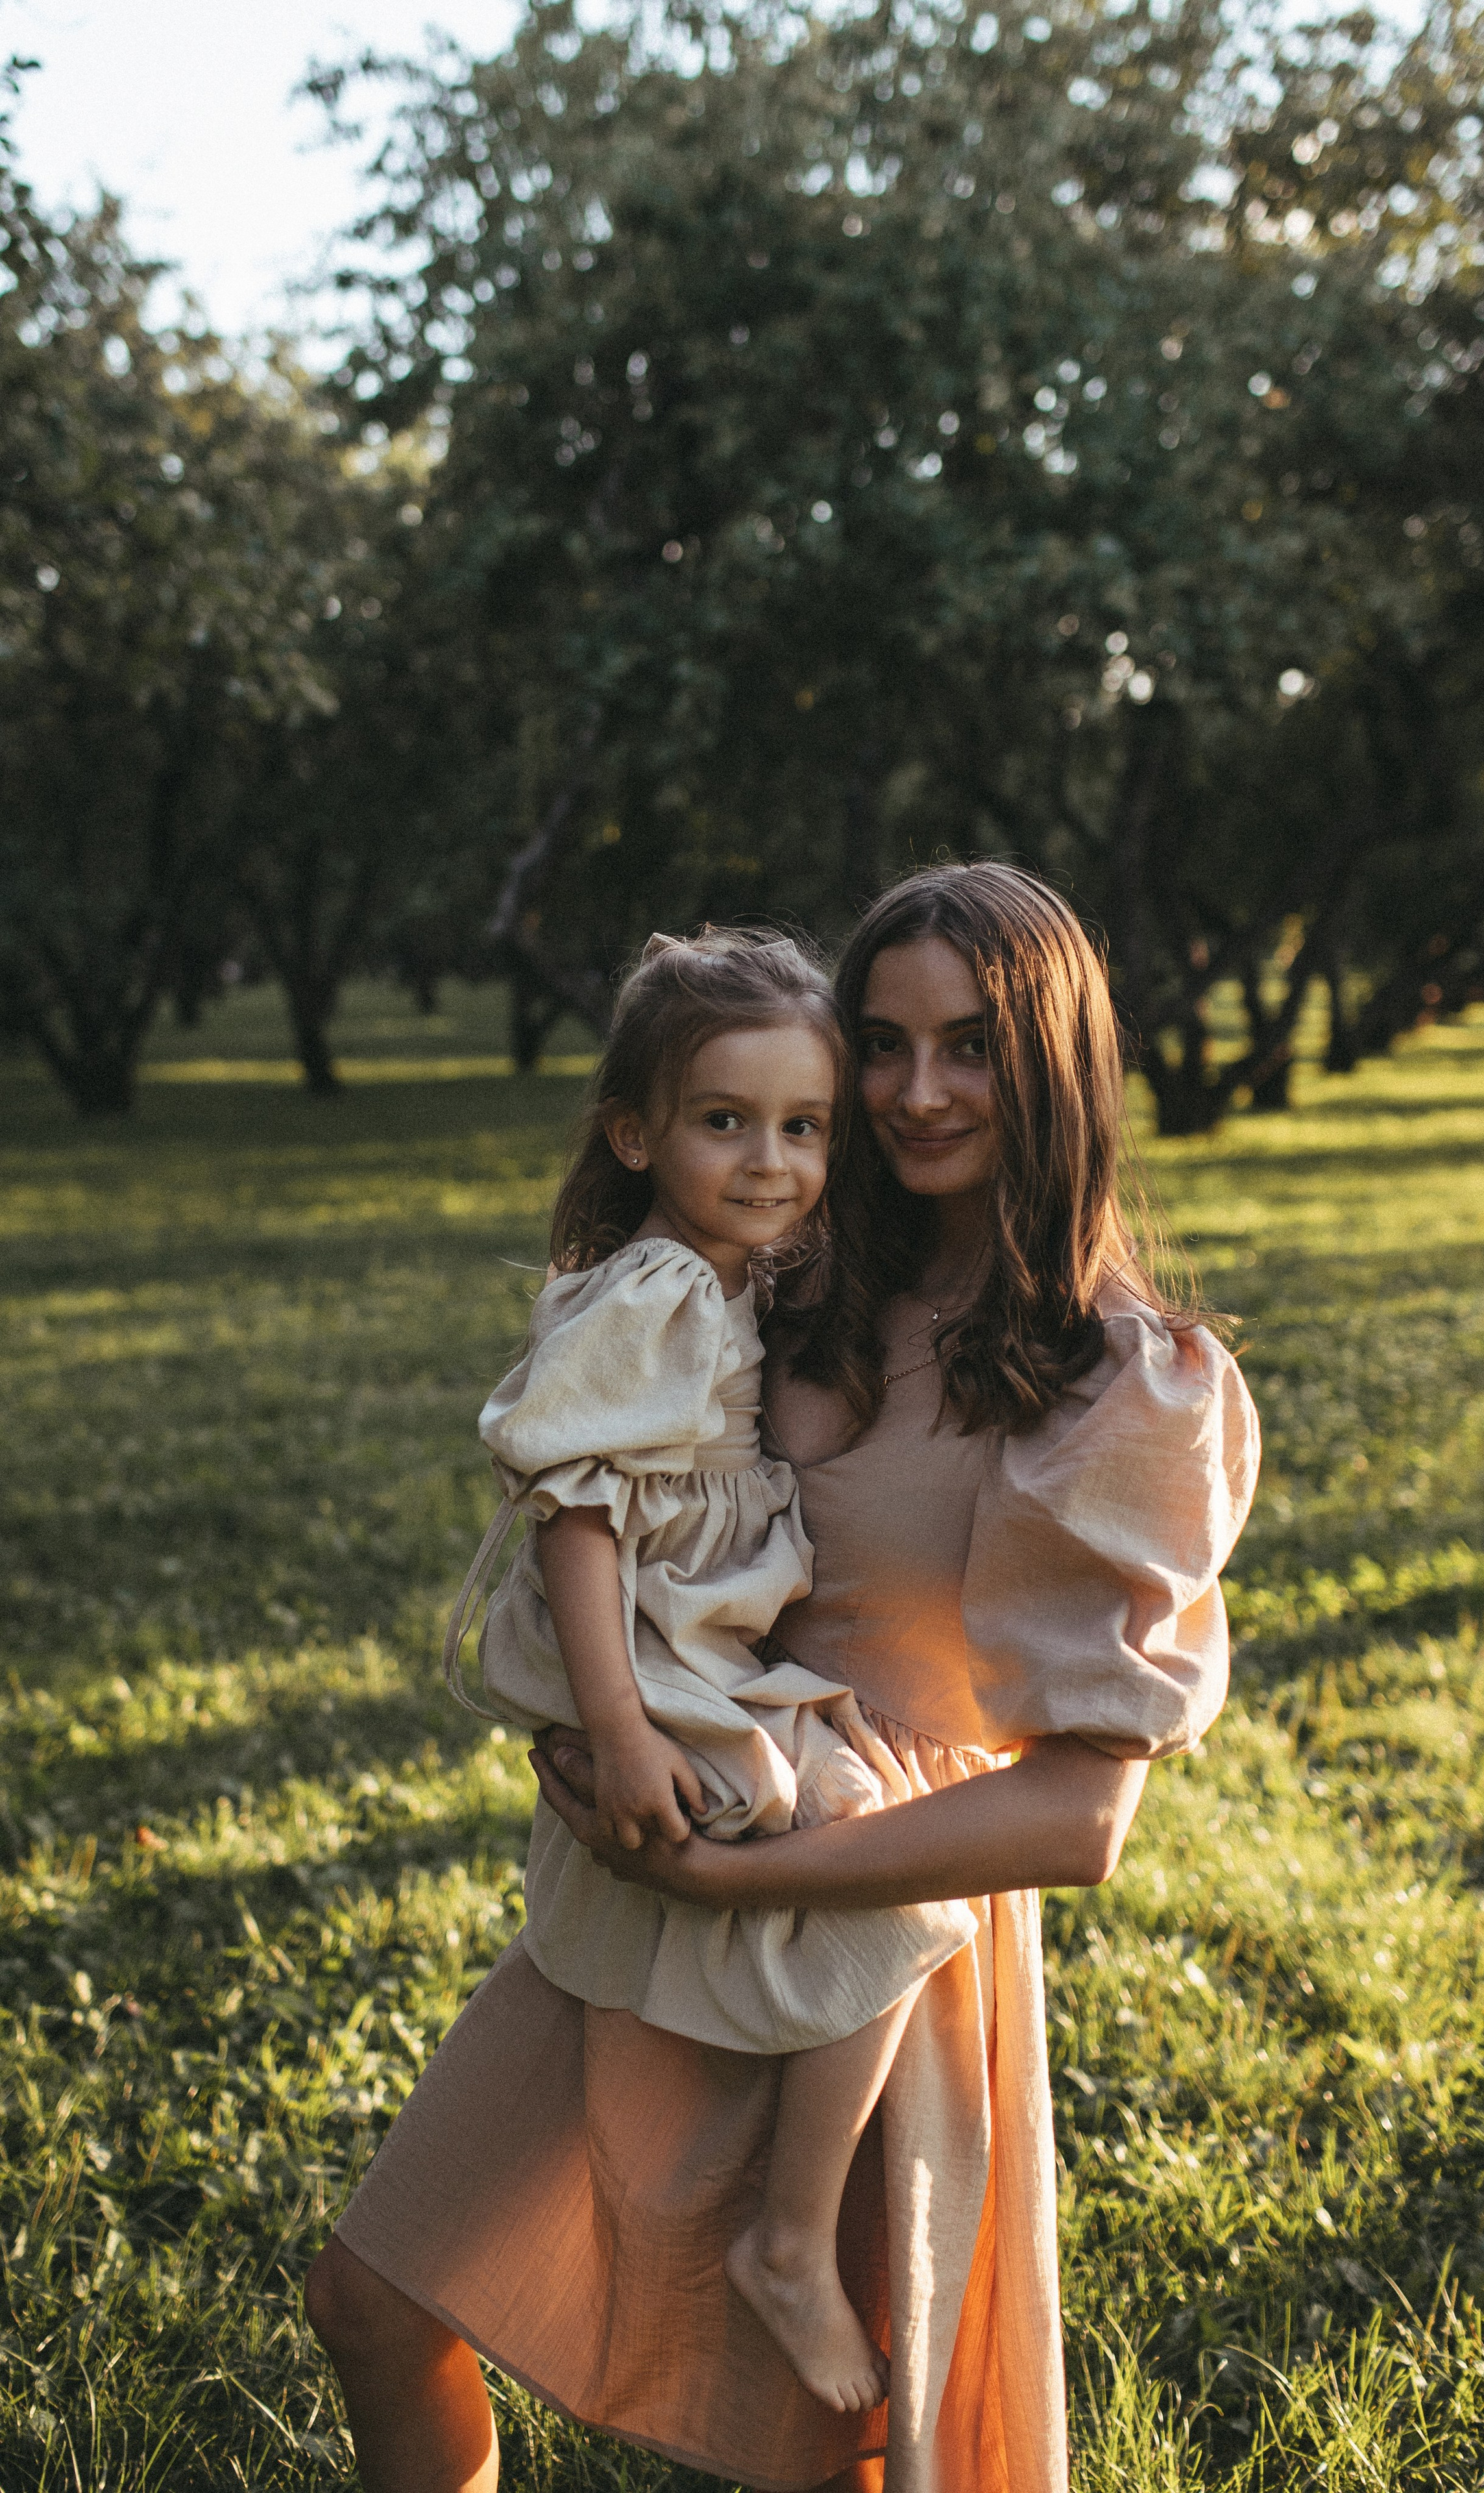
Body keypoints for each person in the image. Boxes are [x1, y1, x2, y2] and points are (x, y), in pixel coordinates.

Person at [306, 861, 1260, 2493]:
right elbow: (623, 1500)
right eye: (877, 1046)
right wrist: (602, 1718)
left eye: (969, 1046)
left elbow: (1082, 1814)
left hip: (870, 1914)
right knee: (376, 2298)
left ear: (1055, 1063)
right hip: (670, 1844)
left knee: (808, 2452)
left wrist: (760, 1872)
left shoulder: (1123, 1376)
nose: (913, 1091)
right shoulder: (797, 1266)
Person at [441, 927, 977, 2414]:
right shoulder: (659, 1291)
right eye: (724, 1121)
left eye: (803, 1126)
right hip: (653, 1653)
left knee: (872, 1848)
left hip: (689, 1640)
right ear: (635, 1132)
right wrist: (616, 1725)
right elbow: (580, 1510)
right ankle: (789, 2244)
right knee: (897, 1881)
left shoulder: (730, 1276)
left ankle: (783, 2211)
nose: (772, 1159)